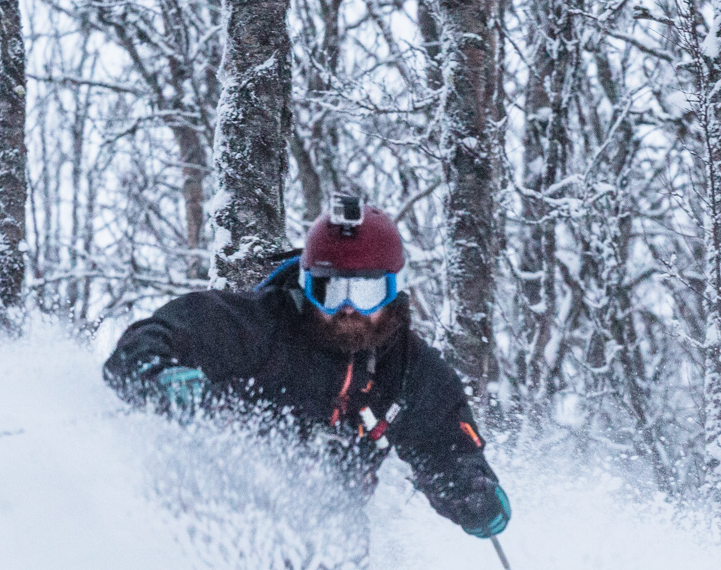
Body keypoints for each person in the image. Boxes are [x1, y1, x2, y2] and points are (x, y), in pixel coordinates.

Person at [103, 194, 510, 541]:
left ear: (391, 291)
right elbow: (151, 339)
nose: (348, 309)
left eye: (366, 292)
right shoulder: (257, 326)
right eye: (330, 291)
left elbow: (446, 446)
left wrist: (471, 490)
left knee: (338, 552)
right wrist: (159, 376)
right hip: (216, 503)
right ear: (307, 285)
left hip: (329, 524)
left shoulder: (407, 369)